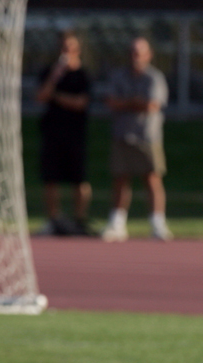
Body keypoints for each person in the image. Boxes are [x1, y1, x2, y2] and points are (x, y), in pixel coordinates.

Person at [102, 37, 172, 242]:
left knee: (152, 178)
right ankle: (117, 222)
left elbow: (152, 105)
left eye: (140, 52)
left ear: (148, 55)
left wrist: (126, 103)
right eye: (132, 52)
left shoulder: (154, 78)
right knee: (120, 178)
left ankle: (157, 223)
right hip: (122, 133)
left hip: (147, 136)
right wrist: (134, 103)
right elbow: (111, 102)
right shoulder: (119, 76)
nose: (135, 56)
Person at [35, 30, 93, 236]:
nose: (66, 52)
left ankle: (79, 220)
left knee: (79, 179)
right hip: (52, 131)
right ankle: (53, 220)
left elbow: (80, 103)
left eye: (70, 48)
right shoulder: (50, 72)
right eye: (63, 48)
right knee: (51, 178)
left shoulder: (83, 74)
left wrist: (57, 97)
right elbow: (41, 96)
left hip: (75, 133)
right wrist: (55, 77)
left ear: (77, 50)